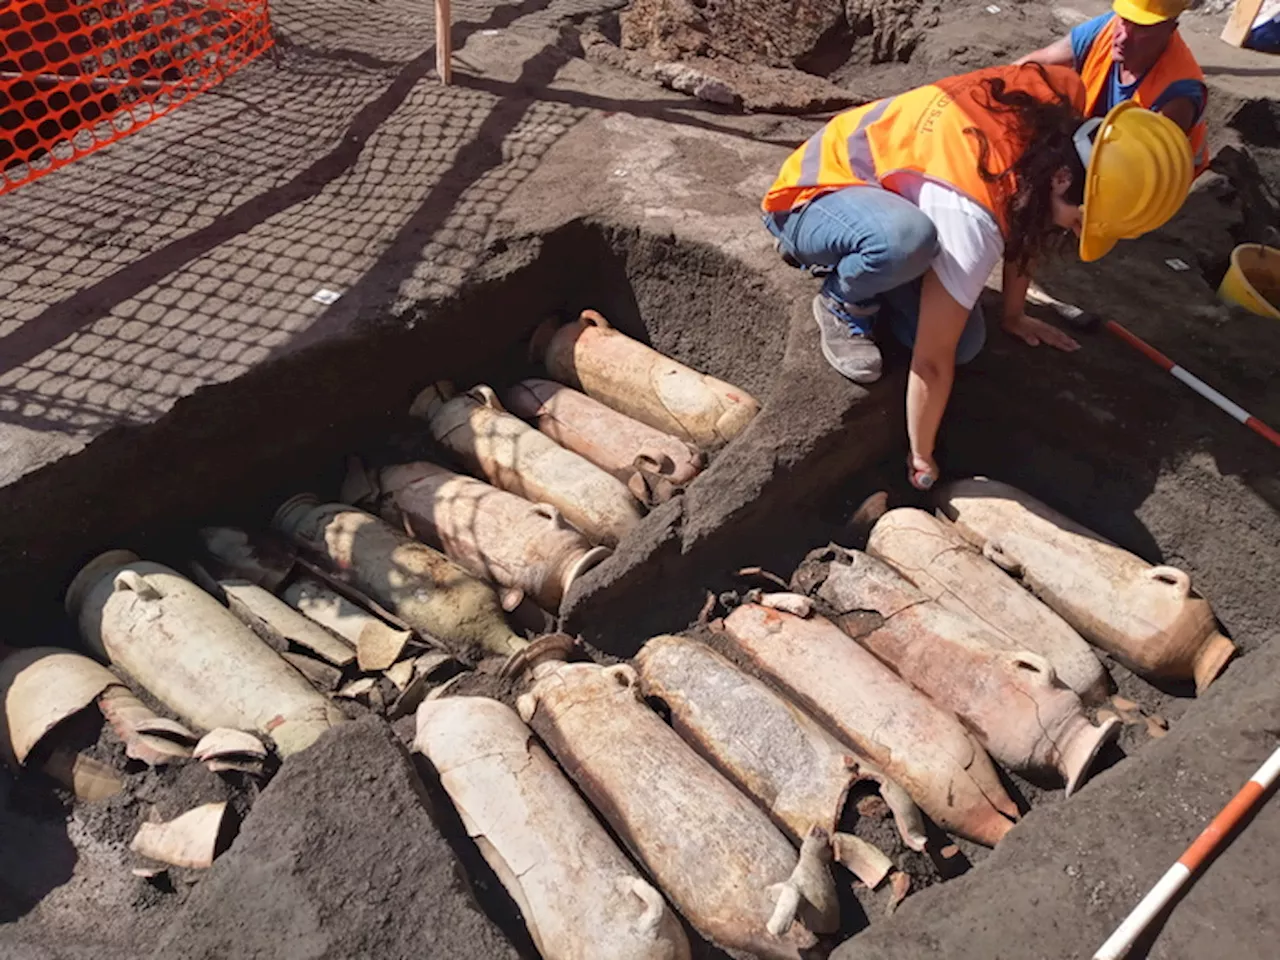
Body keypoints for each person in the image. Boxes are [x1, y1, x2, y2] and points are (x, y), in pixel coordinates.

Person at [761, 63, 1191, 490]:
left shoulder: (1059, 101)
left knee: (966, 342)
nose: (1076, 231)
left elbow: (1027, 215)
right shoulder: (970, 218)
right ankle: (843, 299)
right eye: (1081, 219)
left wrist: (1014, 315)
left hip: (888, 194)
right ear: (1063, 179)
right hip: (813, 194)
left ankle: (869, 263)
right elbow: (931, 362)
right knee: (906, 242)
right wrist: (921, 454)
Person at [1015, 0, 1208, 172]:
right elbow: (1039, 62)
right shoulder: (1106, 27)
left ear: (1170, 29)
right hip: (1094, 143)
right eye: (1124, 20)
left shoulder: (1177, 95)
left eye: (1141, 28)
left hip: (1144, 184)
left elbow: (1136, 171)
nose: (1123, 36)